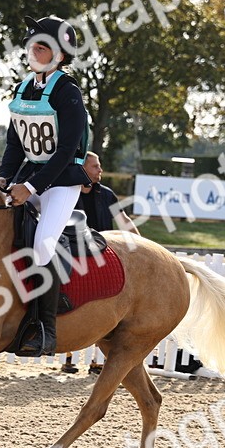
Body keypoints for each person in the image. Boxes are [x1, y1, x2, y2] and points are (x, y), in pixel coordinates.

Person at [0, 15, 92, 357]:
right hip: (31, 176)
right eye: (31, 46)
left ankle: (45, 329)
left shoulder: (68, 92)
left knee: (42, 245)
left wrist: (31, 188)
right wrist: (4, 177)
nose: (33, 51)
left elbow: (66, 151)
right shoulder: (23, 88)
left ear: (60, 56)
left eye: (41, 47)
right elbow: (14, 142)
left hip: (63, 182)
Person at [62, 151, 137, 374]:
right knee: (73, 302)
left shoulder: (107, 194)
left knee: (103, 306)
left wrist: (140, 243)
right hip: (75, 256)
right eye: (95, 167)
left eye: (100, 166)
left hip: (104, 255)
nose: (100, 171)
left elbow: (124, 221)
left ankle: (96, 362)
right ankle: (69, 360)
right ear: (82, 169)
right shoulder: (67, 194)